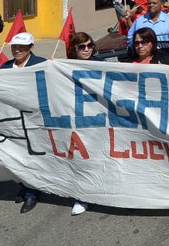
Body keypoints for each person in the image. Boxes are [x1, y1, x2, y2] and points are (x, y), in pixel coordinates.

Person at [0, 32, 47, 213]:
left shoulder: (41, 64)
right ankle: (24, 184)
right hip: (12, 120)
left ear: (31, 47)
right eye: (14, 47)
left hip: (34, 119)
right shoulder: (5, 66)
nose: (17, 50)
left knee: (32, 156)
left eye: (22, 47)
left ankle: (31, 193)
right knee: (17, 156)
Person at [66, 32, 104, 216]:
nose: (87, 49)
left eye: (89, 45)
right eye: (82, 47)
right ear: (74, 49)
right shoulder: (64, 67)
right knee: (82, 159)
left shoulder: (102, 63)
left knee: (104, 155)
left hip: (102, 119)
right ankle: (83, 197)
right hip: (78, 120)